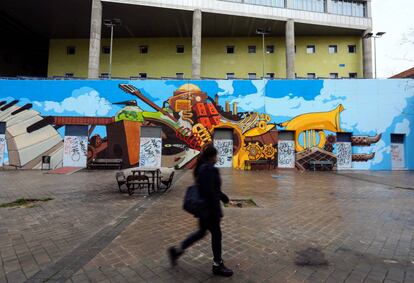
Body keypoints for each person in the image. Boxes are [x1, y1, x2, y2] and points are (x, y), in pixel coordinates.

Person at [168, 145, 233, 277]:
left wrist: (222, 198)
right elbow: (211, 191)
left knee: (201, 232)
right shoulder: (209, 169)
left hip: (203, 208)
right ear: (212, 156)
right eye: (216, 155)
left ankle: (177, 250)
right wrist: (222, 201)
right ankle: (217, 265)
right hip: (209, 209)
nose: (217, 158)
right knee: (216, 235)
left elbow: (210, 189)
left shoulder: (201, 168)